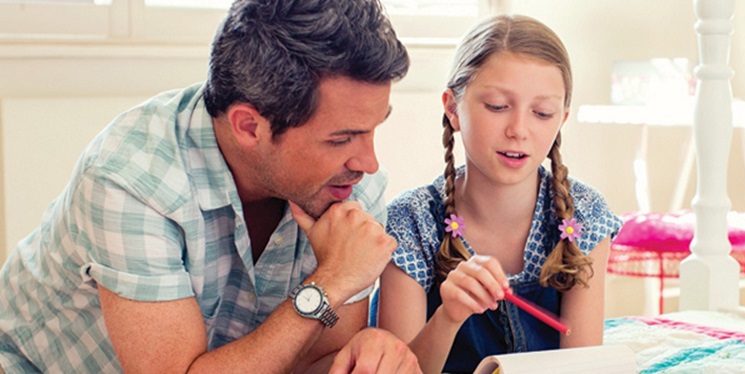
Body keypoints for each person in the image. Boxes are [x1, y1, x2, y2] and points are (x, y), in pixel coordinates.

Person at [0, 0, 420, 373]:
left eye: (372, 130)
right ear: (249, 126)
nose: (369, 163)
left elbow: (313, 363)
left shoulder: (349, 185)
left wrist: (366, 357)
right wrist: (329, 284)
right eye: (341, 139)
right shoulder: (131, 180)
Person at [375, 14, 623, 374]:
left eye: (542, 112)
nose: (519, 129)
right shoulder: (410, 222)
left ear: (562, 120)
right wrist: (449, 315)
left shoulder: (583, 215)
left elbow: (580, 364)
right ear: (452, 107)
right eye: (496, 106)